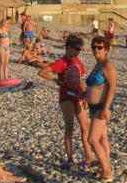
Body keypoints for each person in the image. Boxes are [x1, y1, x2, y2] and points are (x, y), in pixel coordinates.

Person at [39, 35, 94, 169]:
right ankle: (70, 159)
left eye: (79, 50)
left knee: (85, 126)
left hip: (78, 95)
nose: (78, 52)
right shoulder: (61, 62)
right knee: (69, 127)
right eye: (76, 49)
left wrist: (85, 94)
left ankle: (89, 157)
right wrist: (55, 80)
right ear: (68, 47)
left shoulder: (77, 61)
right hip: (66, 96)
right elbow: (42, 72)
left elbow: (80, 79)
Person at [86, 36, 117, 181]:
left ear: (106, 49)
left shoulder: (107, 65)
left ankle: (107, 172)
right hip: (93, 107)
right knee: (102, 138)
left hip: (101, 107)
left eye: (99, 47)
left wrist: (106, 108)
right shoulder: (97, 64)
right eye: (93, 47)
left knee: (92, 139)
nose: (95, 50)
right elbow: (94, 86)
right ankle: (103, 166)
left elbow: (112, 88)